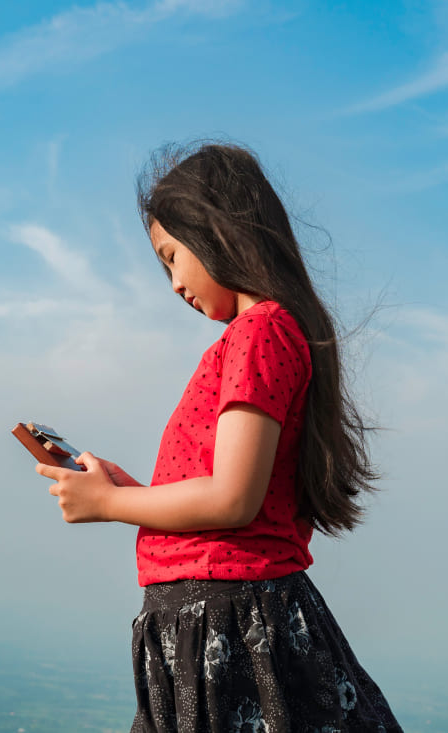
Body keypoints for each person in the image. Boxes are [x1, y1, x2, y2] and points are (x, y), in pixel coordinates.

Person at [37, 142, 401, 732]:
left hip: (231, 625)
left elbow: (234, 498)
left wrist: (109, 504)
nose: (173, 283)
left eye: (172, 257)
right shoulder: (261, 335)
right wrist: (134, 495)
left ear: (217, 232)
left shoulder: (261, 335)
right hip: (218, 620)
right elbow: (223, 493)